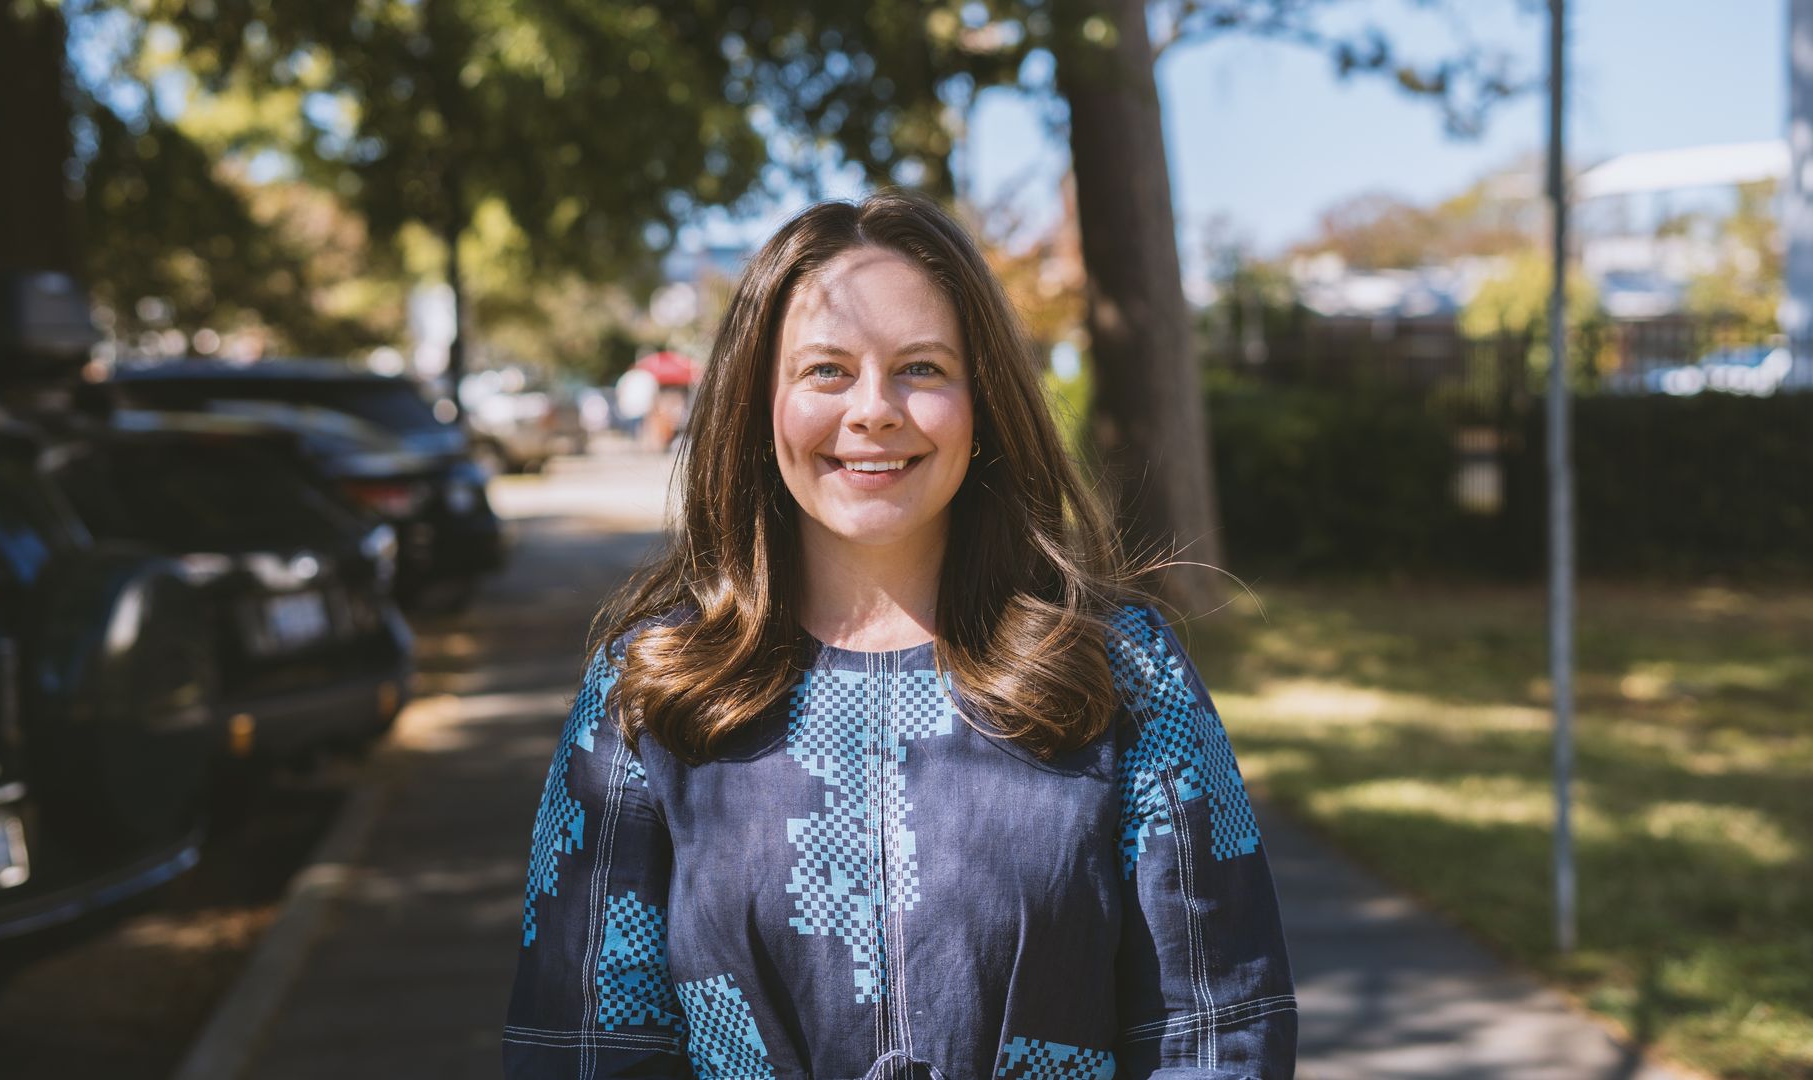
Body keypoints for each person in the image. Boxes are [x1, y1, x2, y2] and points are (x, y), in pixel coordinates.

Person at [503, 191, 1295, 1079]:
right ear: (758, 404)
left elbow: (1218, 1034)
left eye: (921, 367)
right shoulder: (651, 692)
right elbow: (584, 1048)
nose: (875, 409)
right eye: (826, 371)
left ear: (982, 400)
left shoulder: (1120, 672)